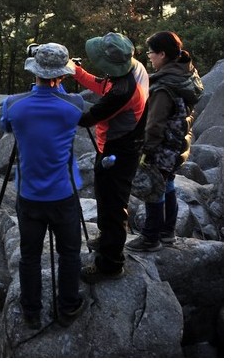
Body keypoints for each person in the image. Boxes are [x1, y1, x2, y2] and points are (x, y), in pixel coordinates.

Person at [0, 43, 86, 329]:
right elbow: (64, 102)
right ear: (62, 76)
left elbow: (6, 127)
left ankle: (32, 311)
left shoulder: (13, 104)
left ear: (34, 70)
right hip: (63, 194)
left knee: (29, 256)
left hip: (29, 195)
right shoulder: (74, 105)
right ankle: (68, 307)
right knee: (70, 253)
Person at [73, 32, 149, 283]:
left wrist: (58, 104)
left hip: (119, 151)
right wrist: (75, 71)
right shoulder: (126, 73)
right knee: (105, 199)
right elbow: (100, 84)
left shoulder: (123, 91)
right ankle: (107, 240)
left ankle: (111, 263)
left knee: (114, 205)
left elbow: (88, 118)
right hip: (114, 147)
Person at [125, 31, 203, 252]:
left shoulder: (163, 87)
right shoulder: (185, 73)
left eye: (151, 52)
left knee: (154, 190)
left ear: (162, 54)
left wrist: (146, 150)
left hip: (162, 146)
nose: (148, 56)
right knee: (167, 185)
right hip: (178, 143)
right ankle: (167, 233)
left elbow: (155, 124)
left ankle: (151, 238)